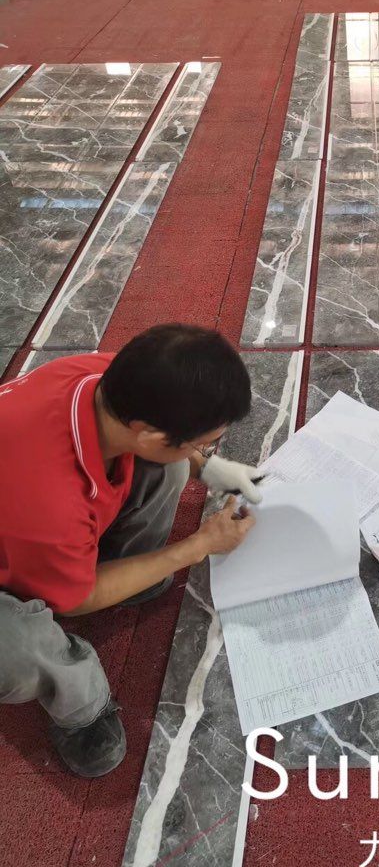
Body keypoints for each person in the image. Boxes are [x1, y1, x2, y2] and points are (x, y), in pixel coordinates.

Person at [0, 324, 263, 778]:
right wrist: (199, 545)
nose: (204, 450)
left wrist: (207, 466)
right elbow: (78, 599)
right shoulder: (46, 501)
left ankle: (124, 569)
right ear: (149, 434)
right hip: (27, 527)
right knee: (16, 648)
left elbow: (167, 447)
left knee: (172, 469)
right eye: (203, 442)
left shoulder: (109, 379)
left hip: (32, 525)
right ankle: (81, 707)